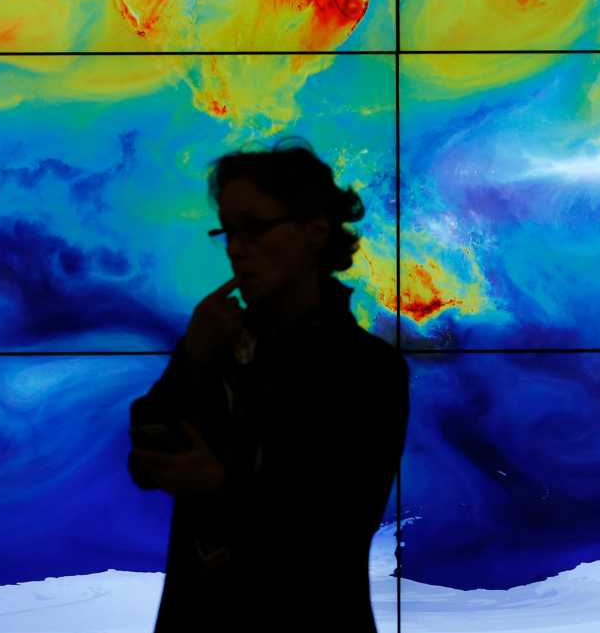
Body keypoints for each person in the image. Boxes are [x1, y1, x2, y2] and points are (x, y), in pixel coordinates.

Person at [128, 137, 408, 633]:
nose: (236, 249)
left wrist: (221, 486)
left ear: (316, 231)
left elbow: (341, 525)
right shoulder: (214, 344)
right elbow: (144, 461)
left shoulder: (368, 369)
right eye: (228, 231)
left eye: (254, 228)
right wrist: (192, 357)